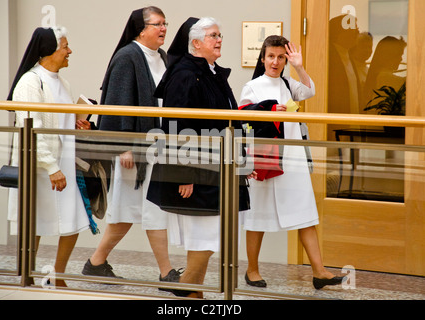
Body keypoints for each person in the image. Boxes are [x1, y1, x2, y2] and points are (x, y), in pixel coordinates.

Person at [147, 17, 251, 298]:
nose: (219, 40)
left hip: (218, 167)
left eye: (219, 35)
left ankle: (194, 295)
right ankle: (185, 290)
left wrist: (242, 161)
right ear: (195, 43)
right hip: (198, 172)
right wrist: (184, 173)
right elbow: (176, 126)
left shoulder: (211, 71)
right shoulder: (183, 74)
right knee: (205, 237)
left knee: (209, 236)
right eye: (212, 36)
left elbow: (229, 119)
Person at [81, 7, 181, 286]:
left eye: (165, 24)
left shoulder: (162, 57)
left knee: (128, 211)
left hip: (155, 146)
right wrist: (123, 146)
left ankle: (96, 262)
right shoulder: (127, 57)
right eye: (157, 24)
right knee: (148, 209)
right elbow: (116, 103)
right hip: (133, 151)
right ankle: (166, 272)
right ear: (140, 28)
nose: (163, 29)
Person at [239, 35, 346, 290]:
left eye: (281, 57)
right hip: (264, 159)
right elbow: (243, 118)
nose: (275, 62)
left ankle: (319, 272)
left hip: (293, 160)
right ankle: (252, 270)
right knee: (257, 217)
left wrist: (298, 66)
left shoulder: (289, 83)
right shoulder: (252, 86)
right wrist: (269, 110)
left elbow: (310, 90)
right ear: (263, 58)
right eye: (271, 56)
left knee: (305, 213)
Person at [7, 26, 92, 287]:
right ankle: (27, 274)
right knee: (35, 221)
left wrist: (77, 122)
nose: (70, 51)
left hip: (64, 163)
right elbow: (32, 129)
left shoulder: (61, 82)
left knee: (74, 220)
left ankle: (58, 274)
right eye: (64, 47)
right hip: (42, 166)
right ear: (47, 52)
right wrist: (51, 166)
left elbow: (59, 121)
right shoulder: (30, 82)